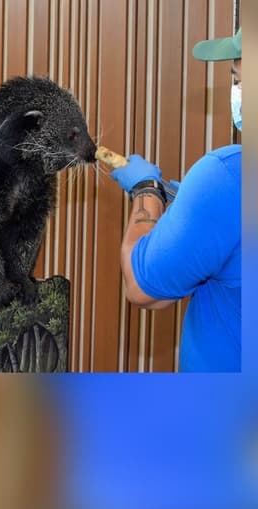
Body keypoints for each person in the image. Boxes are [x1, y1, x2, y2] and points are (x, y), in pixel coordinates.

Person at [106, 28, 241, 372]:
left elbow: (144, 289)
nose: (237, 92)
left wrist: (147, 191)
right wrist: (191, 205)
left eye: (242, 78)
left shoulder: (228, 175)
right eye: (234, 79)